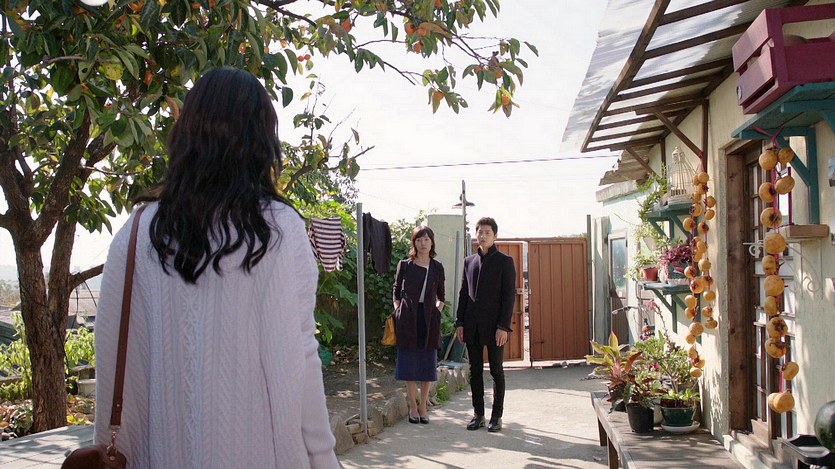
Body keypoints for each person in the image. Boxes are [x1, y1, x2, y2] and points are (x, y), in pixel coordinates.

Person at [93, 68, 339, 468]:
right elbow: (302, 358)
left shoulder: (137, 233)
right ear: (260, 140)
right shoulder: (276, 232)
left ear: (186, 134)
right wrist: (323, 456)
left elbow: (111, 361)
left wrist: (108, 446)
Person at [455, 217, 516, 433]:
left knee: (496, 371)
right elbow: (464, 293)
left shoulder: (505, 261)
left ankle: (496, 417)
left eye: (487, 232)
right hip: (472, 325)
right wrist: (460, 322)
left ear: (495, 236)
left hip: (495, 326)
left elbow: (509, 297)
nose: (483, 236)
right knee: (475, 371)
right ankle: (478, 414)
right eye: (480, 232)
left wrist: (503, 326)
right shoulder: (469, 261)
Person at [392, 226, 446, 424]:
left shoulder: (437, 267)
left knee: (426, 363)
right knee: (409, 363)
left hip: (429, 319)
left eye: (426, 239)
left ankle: (423, 406)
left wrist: (438, 311)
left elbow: (442, 295)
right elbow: (396, 290)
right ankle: (413, 407)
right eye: (419, 240)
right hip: (408, 318)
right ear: (414, 243)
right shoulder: (405, 265)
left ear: (432, 242)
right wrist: (398, 310)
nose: (423, 243)